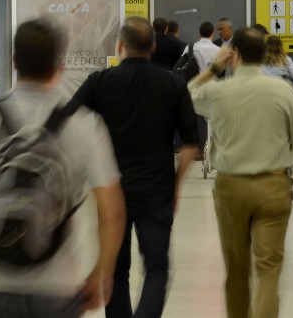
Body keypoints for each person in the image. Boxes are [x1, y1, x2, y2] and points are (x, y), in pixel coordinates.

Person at [0, 19, 124, 318]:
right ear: (59, 65)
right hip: (56, 287)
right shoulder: (85, 124)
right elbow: (112, 211)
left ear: (14, 62)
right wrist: (101, 272)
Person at [72, 17, 199, 318]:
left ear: (119, 46)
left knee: (115, 269)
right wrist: (176, 186)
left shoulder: (99, 82)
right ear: (153, 47)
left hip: (111, 190)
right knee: (156, 268)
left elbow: (69, 124)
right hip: (157, 190)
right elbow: (191, 145)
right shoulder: (174, 84)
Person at [188, 28, 293, 318]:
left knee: (236, 272)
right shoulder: (281, 90)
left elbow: (189, 94)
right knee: (269, 270)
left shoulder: (218, 91)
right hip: (274, 187)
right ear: (263, 55)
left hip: (231, 188)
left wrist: (213, 67)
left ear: (233, 54)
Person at [183, 21, 221, 158]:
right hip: (213, 87)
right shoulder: (218, 50)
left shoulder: (191, 47)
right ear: (212, 33)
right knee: (213, 118)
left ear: (200, 33)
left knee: (197, 117)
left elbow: (182, 65)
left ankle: (199, 149)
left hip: (196, 85)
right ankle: (212, 149)